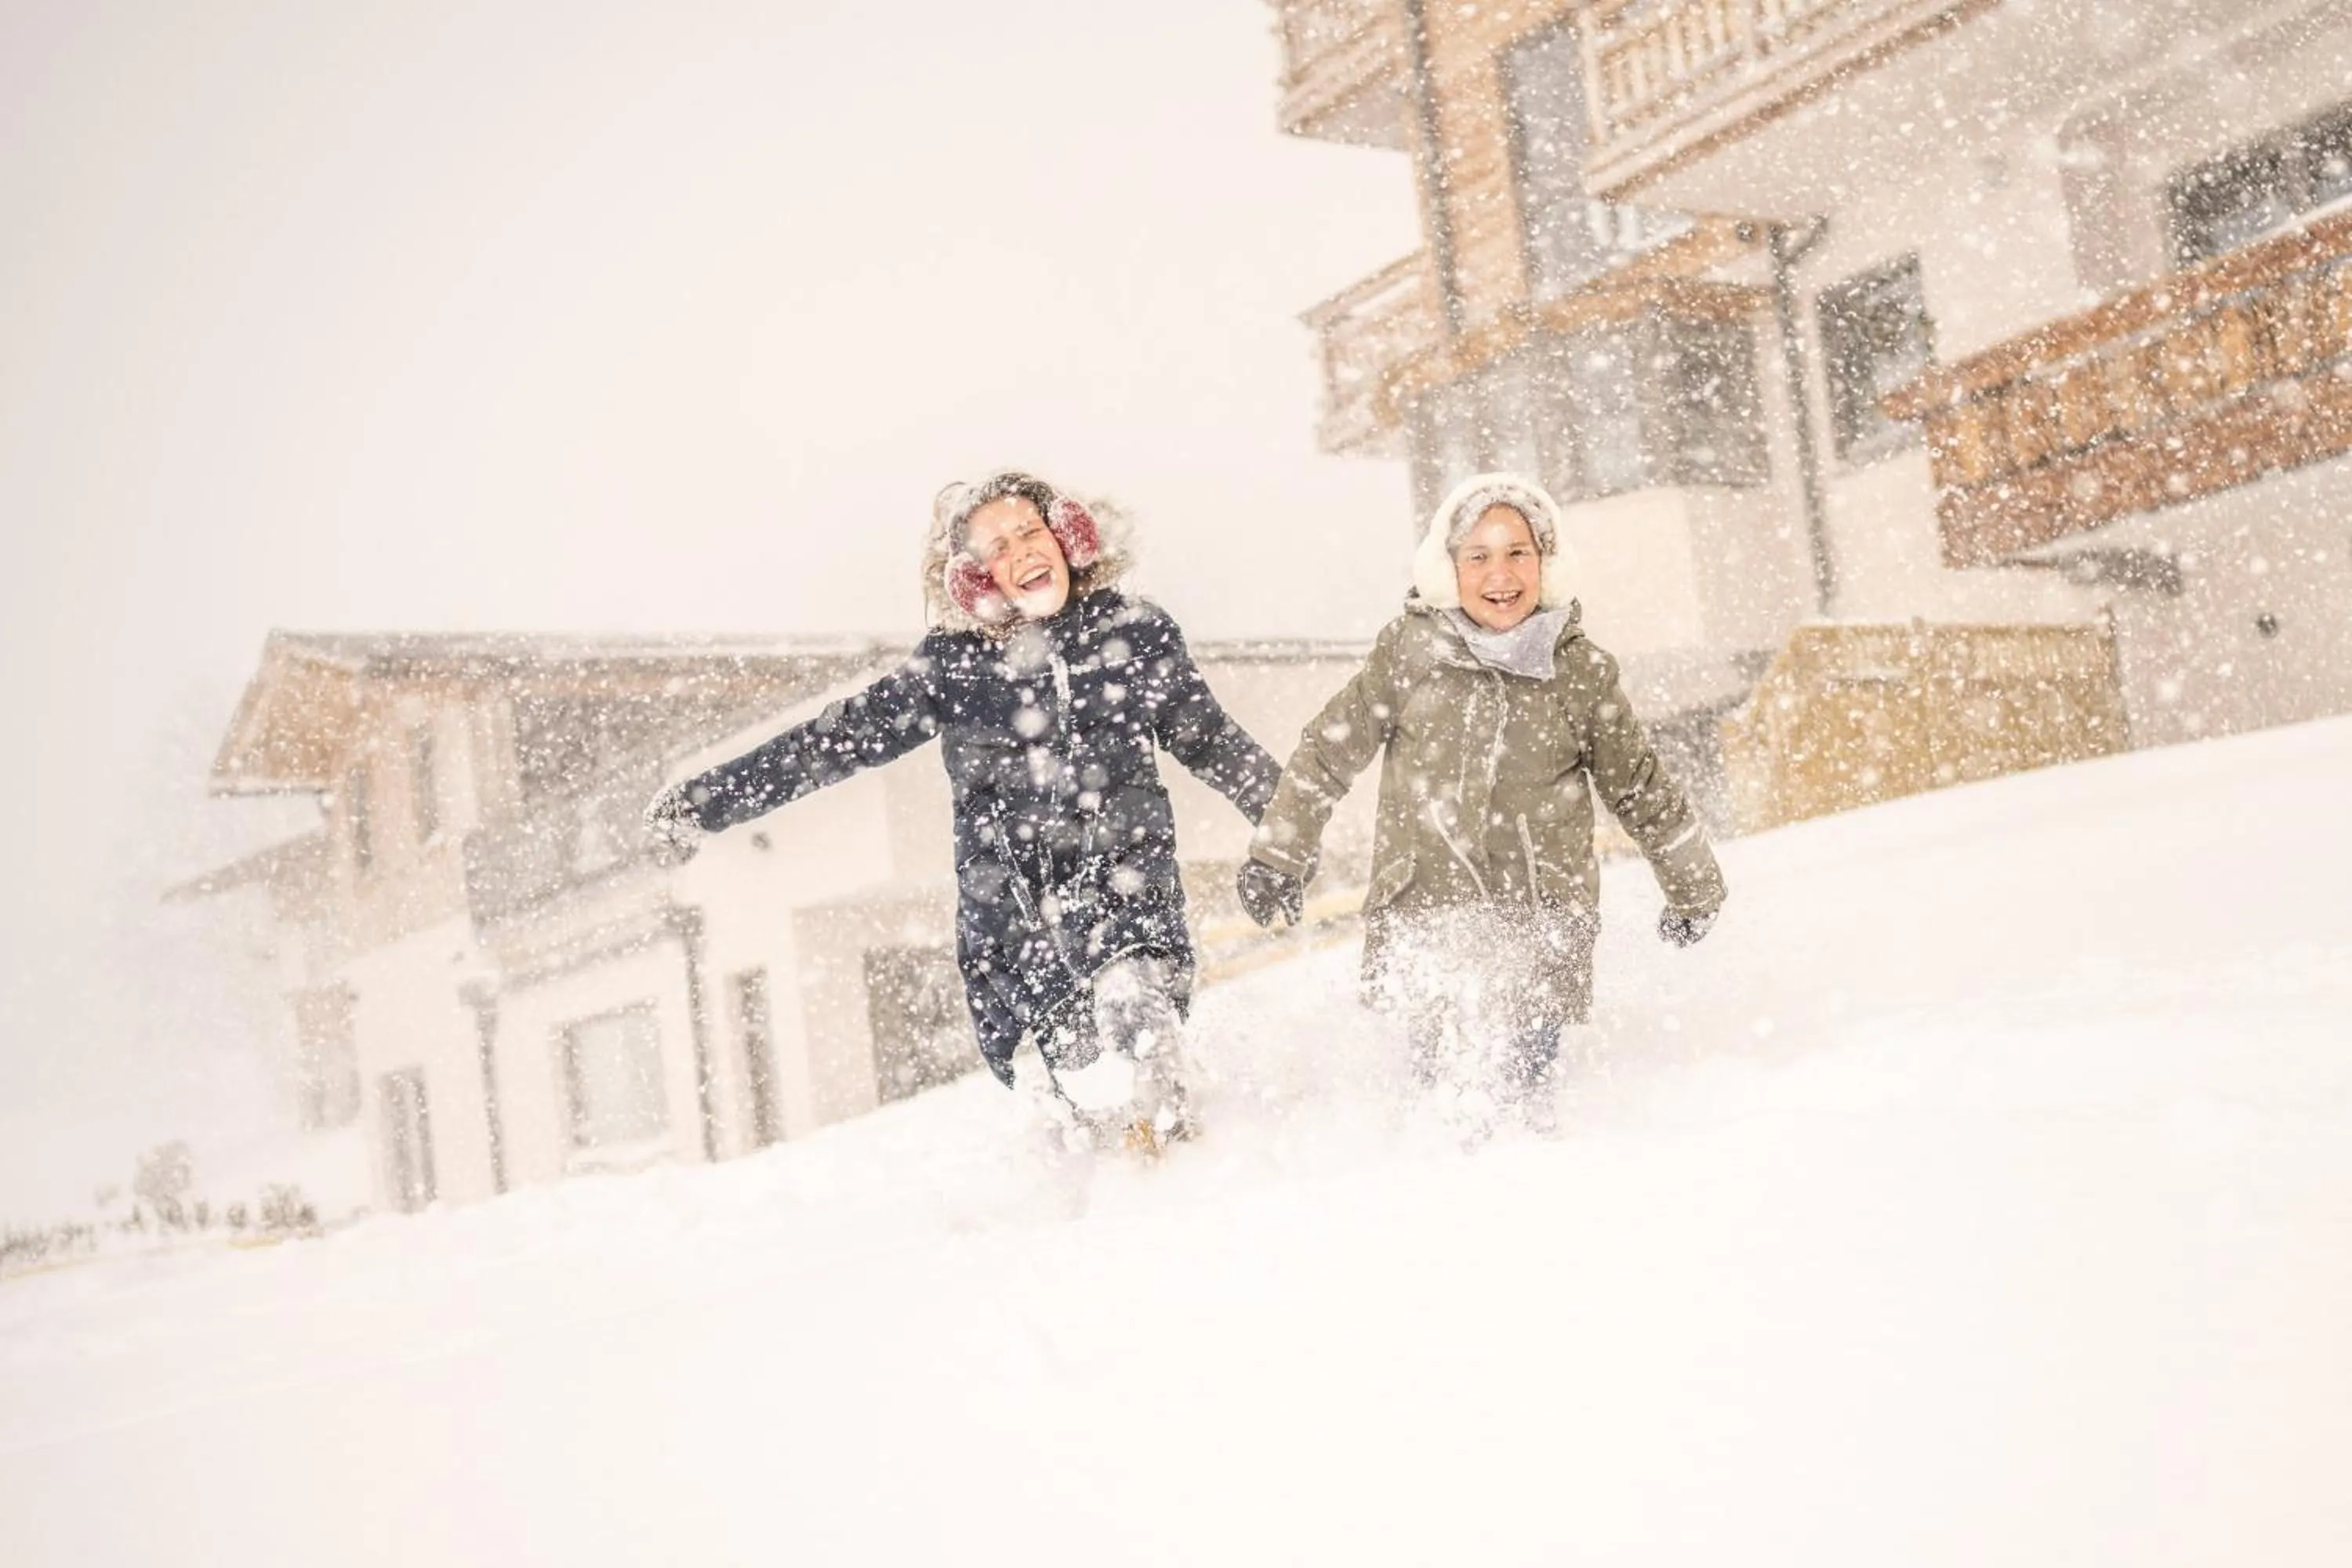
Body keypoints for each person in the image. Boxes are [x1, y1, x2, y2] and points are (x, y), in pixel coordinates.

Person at [644, 470, 1279, 1152]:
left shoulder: (1137, 633)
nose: (1022, 551)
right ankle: (1095, 1183)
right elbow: (831, 742)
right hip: (1017, 927)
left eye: (1031, 531)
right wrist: (702, 803)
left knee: (1135, 1013)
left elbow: (1213, 741)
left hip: (1126, 896)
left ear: (1068, 536)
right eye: (998, 547)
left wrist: (1292, 828)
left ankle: (1181, 1159)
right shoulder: (953, 668)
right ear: (975, 579)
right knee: (1074, 1091)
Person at [1233, 472, 1726, 1131]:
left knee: (1521, 1099)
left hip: (1539, 919)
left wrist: (1694, 886)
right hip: (1428, 914)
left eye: (1518, 552)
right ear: (1449, 570)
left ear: (1546, 563)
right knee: (1446, 1103)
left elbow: (1638, 785)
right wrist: (1278, 855)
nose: (1501, 573)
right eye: (1479, 555)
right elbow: (1329, 751)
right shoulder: (1410, 654)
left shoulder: (1579, 672)